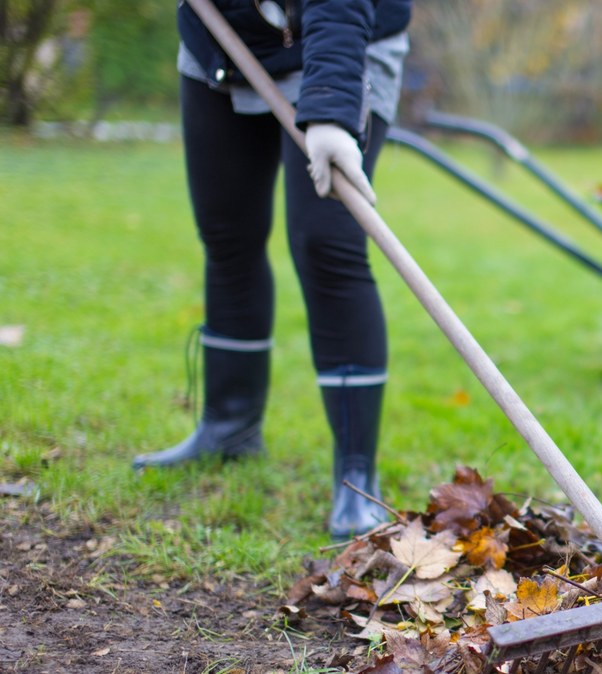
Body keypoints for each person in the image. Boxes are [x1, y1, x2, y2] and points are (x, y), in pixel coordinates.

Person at [132, 0, 412, 540]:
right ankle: (229, 427)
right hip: (222, 40)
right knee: (227, 233)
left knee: (327, 244)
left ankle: (357, 475)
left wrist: (331, 114)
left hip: (339, 44)